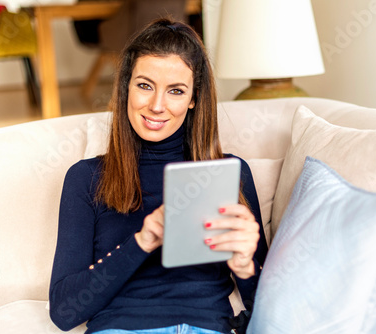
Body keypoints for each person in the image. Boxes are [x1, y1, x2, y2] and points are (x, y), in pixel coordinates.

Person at [49, 19, 268, 334]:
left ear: (193, 98)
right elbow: (64, 311)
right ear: (127, 87)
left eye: (176, 91)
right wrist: (143, 241)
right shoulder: (86, 178)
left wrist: (246, 266)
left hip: (206, 327)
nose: (156, 106)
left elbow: (271, 312)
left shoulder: (228, 174)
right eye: (144, 85)